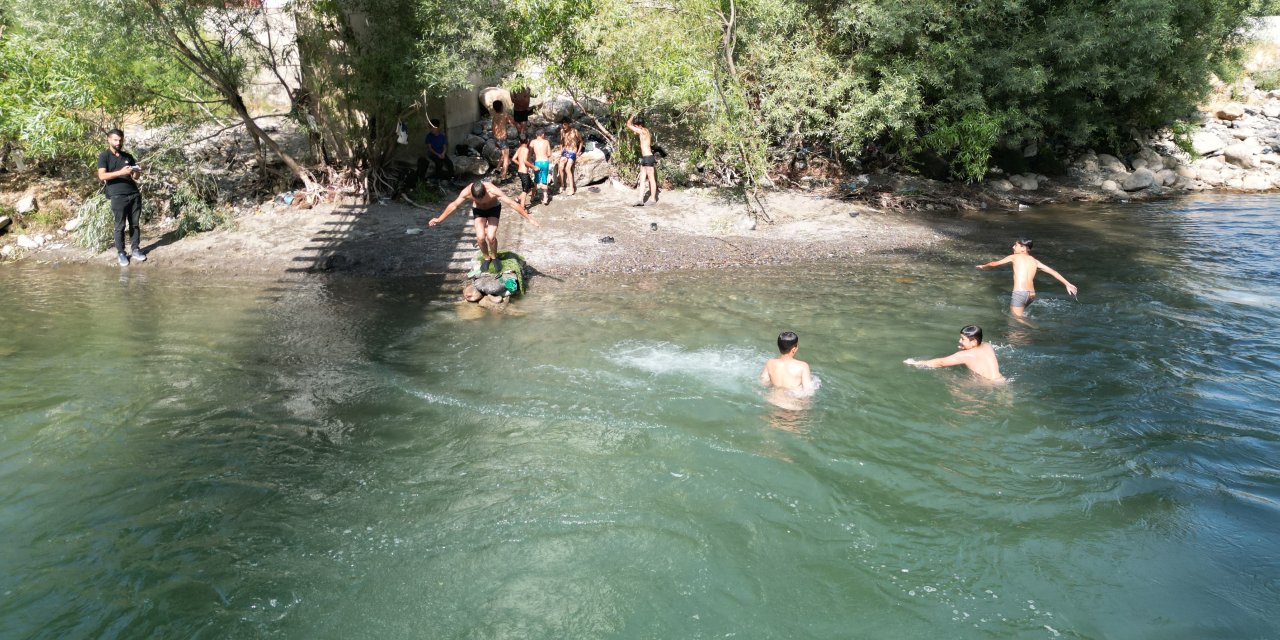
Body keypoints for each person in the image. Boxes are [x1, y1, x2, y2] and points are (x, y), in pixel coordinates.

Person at [428, 180, 539, 274]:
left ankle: (494, 257)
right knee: (480, 238)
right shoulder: (466, 191)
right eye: (477, 199)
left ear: (486, 191)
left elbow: (512, 203)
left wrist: (528, 218)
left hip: (493, 209)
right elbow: (454, 205)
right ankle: (486, 258)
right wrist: (439, 219)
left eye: (482, 198)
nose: (480, 201)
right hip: (478, 211)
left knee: (491, 237)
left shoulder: (492, 190)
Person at [976, 237, 1078, 317]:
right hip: (1032, 295)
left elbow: (994, 263)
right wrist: (1067, 284)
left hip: (1020, 293)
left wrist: (983, 266)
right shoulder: (1035, 261)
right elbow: (1052, 271)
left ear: (1023, 248)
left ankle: (1034, 327)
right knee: (1020, 314)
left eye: (1015, 245)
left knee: (1015, 319)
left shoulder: (1014, 257)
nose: (1013, 247)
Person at [96, 129, 146, 266]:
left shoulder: (127, 156)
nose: (118, 143)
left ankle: (135, 249)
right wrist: (121, 172)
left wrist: (137, 171)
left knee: (135, 224)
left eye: (120, 140)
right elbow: (102, 176)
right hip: (117, 195)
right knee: (120, 225)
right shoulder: (104, 156)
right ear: (109, 139)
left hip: (133, 193)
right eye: (115, 140)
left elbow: (135, 177)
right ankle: (121, 253)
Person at [904, 325, 1005, 382]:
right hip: (1002, 381)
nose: (959, 341)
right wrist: (965, 348)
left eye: (963, 339)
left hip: (984, 384)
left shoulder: (965, 355)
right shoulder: (987, 346)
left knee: (947, 377)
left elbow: (941, 363)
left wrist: (916, 363)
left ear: (974, 342)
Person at [626, 113, 658, 206]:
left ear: (640, 126)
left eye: (636, 126)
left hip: (649, 157)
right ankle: (640, 200)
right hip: (644, 158)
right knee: (642, 179)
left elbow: (628, 124)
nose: (635, 128)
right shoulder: (644, 131)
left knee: (651, 179)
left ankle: (653, 199)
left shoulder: (644, 131)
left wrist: (632, 115)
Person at [557, 119, 583, 196]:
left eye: (565, 124)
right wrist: (561, 150)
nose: (563, 126)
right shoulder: (562, 131)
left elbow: (581, 141)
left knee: (567, 168)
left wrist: (578, 152)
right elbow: (561, 142)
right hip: (565, 151)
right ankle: (562, 185)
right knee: (560, 166)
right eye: (563, 124)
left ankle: (572, 188)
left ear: (569, 124)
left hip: (572, 151)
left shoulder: (574, 131)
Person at [512, 136, 538, 209]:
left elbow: (513, 159)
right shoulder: (526, 149)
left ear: (519, 142)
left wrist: (520, 164)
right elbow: (525, 161)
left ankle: (518, 199)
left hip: (521, 172)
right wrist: (534, 167)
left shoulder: (519, 149)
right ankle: (522, 207)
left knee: (531, 186)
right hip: (523, 173)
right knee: (525, 190)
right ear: (528, 140)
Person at [491, 101, 514, 182]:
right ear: (501, 106)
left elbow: (492, 128)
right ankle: (503, 177)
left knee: (503, 154)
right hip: (503, 139)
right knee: (506, 158)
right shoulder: (505, 115)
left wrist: (495, 139)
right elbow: (512, 123)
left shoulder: (494, 116)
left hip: (496, 138)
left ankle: (497, 169)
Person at [530, 129, 554, 206]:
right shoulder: (546, 142)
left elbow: (530, 153)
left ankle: (532, 197)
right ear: (542, 134)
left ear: (536, 135)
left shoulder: (533, 142)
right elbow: (549, 154)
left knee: (536, 180)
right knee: (544, 179)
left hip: (537, 162)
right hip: (545, 162)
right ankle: (545, 198)